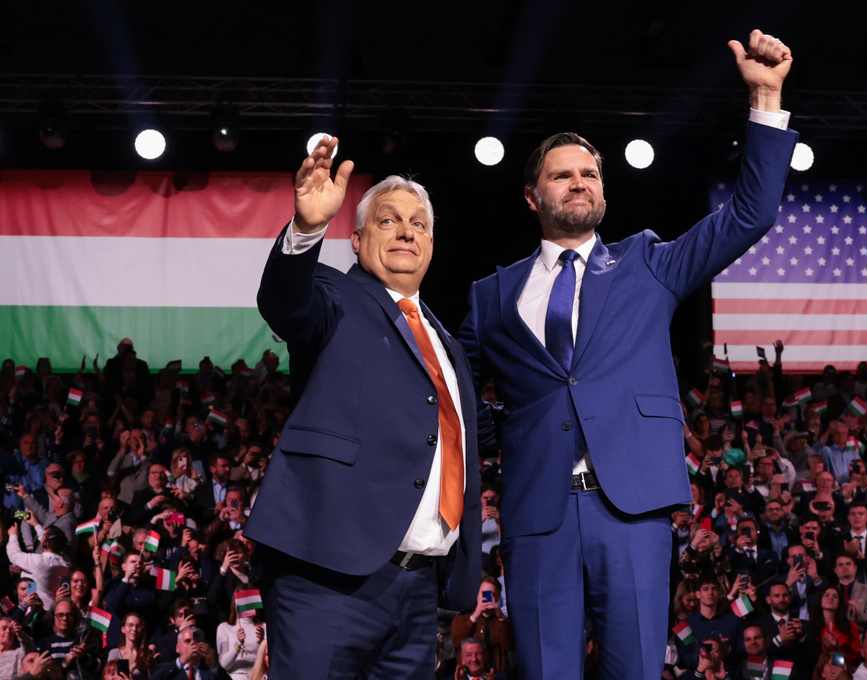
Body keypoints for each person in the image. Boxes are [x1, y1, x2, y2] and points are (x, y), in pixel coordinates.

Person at [458, 29, 797, 679]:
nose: (579, 183)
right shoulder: (491, 295)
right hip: (537, 514)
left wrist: (765, 96)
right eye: (563, 175)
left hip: (633, 511)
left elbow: (750, 215)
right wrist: (506, 432)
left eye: (590, 173)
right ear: (533, 197)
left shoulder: (648, 263)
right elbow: (454, 390)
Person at [244, 143, 481, 678]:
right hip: (326, 575)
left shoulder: (448, 346)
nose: (405, 231)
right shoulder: (333, 295)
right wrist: (306, 230)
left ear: (431, 244)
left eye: (418, 224)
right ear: (355, 240)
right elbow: (285, 301)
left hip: (421, 588)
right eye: (388, 220)